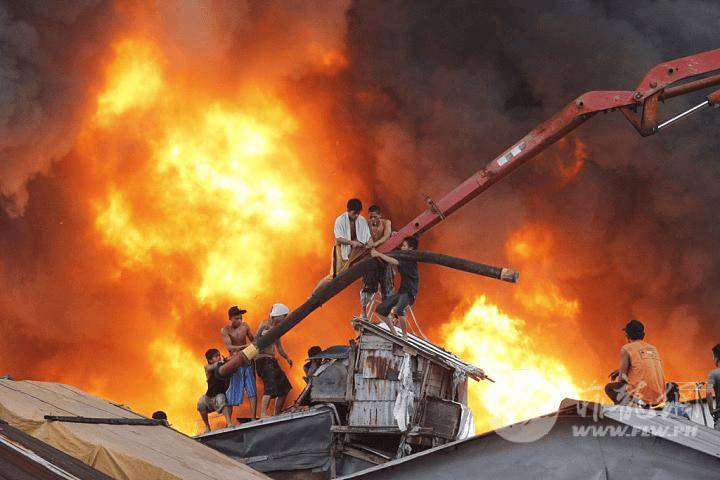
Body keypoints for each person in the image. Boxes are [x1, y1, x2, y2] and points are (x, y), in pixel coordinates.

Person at [313, 199, 372, 293]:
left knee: (370, 254)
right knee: (334, 276)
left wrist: (370, 245)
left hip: (355, 250)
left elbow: (368, 236)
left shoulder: (361, 220)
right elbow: (338, 239)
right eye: (354, 213)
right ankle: (313, 295)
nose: (356, 215)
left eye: (358, 213)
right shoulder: (340, 220)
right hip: (341, 249)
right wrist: (352, 243)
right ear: (348, 210)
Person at [605, 320, 665, 407]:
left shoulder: (626, 348)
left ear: (627, 336)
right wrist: (620, 370)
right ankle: (642, 404)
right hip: (659, 397)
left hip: (643, 397)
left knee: (610, 388)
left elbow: (622, 379)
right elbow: (645, 368)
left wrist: (622, 373)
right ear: (643, 335)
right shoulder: (653, 348)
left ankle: (634, 406)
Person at [369, 237, 420, 338]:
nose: (402, 248)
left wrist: (379, 254)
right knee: (380, 309)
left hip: (409, 292)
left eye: (404, 246)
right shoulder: (404, 256)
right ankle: (394, 333)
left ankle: (404, 336)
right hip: (402, 292)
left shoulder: (411, 259)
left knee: (399, 310)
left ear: (411, 248)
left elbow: (394, 261)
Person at [255, 303, 294, 417]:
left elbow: (279, 347)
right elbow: (255, 340)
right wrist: (263, 335)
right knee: (270, 387)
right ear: (278, 315)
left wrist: (287, 357)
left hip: (272, 360)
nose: (285, 318)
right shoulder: (264, 324)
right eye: (284, 316)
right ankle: (263, 414)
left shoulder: (277, 329)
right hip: (262, 360)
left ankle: (276, 414)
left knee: (285, 387)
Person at [221, 306, 257, 422]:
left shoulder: (245, 326)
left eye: (241, 318)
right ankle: (229, 422)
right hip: (235, 363)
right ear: (230, 318)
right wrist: (245, 346)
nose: (239, 320)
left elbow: (254, 340)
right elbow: (229, 347)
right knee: (231, 393)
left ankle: (253, 418)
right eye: (236, 318)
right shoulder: (225, 330)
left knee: (252, 389)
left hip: (247, 360)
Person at [360, 205, 394, 319]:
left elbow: (386, 236)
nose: (372, 219)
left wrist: (375, 244)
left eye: (375, 217)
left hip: (384, 258)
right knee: (367, 286)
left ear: (380, 215)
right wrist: (370, 245)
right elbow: (365, 238)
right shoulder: (366, 225)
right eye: (370, 217)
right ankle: (363, 313)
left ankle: (388, 315)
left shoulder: (386, 223)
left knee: (387, 287)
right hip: (371, 259)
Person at [197, 348, 233, 433]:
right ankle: (207, 426)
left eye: (219, 355)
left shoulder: (224, 366)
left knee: (221, 399)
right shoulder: (207, 367)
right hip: (209, 396)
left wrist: (228, 361)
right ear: (210, 360)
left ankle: (229, 423)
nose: (219, 357)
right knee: (200, 403)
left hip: (221, 394)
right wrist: (224, 361)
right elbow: (212, 367)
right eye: (216, 356)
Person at [706, 344, 720, 430]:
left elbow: (708, 392)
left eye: (713, 356)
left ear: (717, 357)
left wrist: (711, 410)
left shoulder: (713, 374)